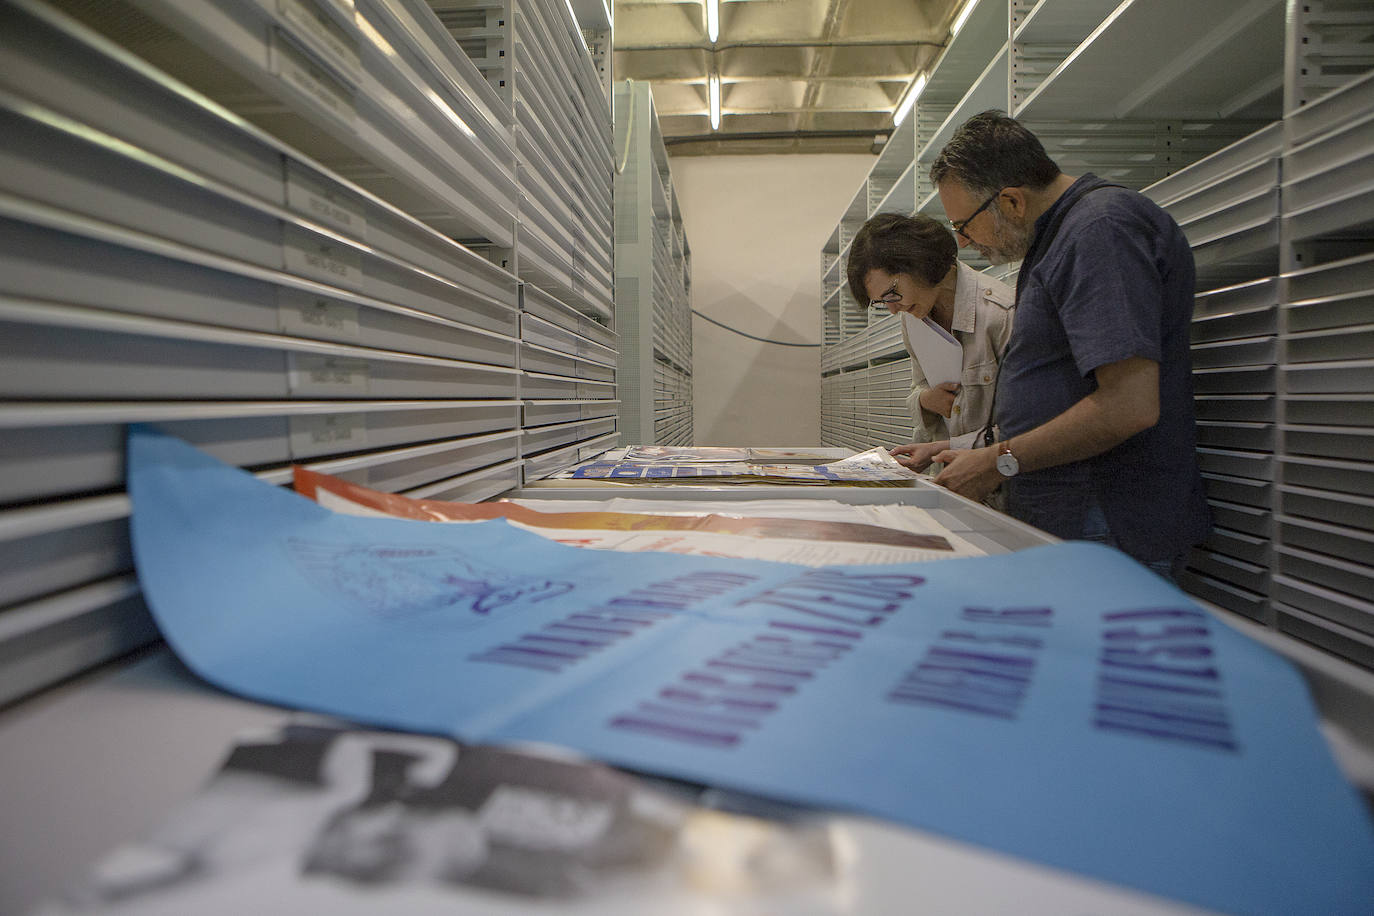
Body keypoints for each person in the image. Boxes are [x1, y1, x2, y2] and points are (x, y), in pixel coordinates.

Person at [894, 110, 1210, 579]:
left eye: (964, 225)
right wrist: (985, 451)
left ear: (1011, 201)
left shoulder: (1100, 231)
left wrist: (997, 462)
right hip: (1075, 517)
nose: (962, 241)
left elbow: (1129, 405)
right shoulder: (1062, 238)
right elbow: (1061, 389)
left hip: (1108, 520)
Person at [846, 212, 1014, 448]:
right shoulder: (912, 317)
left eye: (891, 294)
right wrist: (925, 400)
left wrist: (949, 448)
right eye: (882, 303)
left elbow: (1025, 428)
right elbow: (919, 385)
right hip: (943, 465)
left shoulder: (1001, 314)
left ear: (918, 263)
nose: (893, 310)